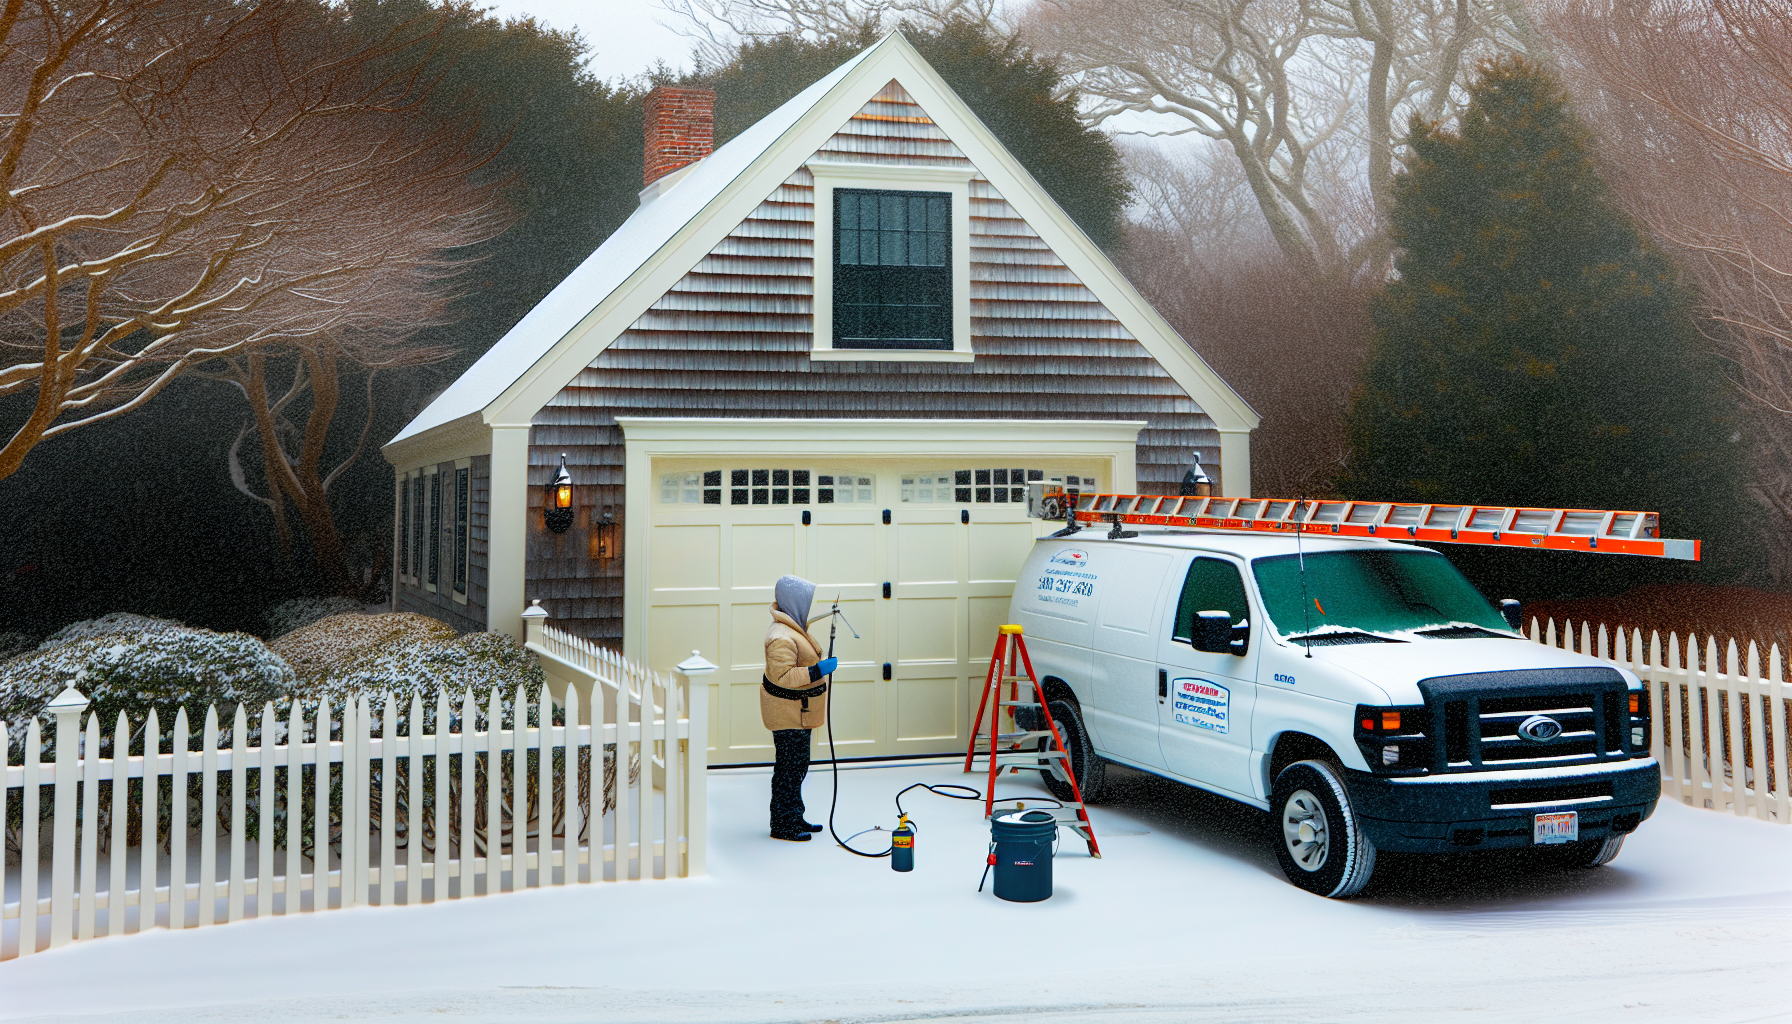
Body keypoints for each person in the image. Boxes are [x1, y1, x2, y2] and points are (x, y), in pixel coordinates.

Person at [761, 574, 837, 841]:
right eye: (805, 601)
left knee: (798, 766)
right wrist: (818, 670)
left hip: (798, 713)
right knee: (789, 769)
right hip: (788, 714)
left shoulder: (791, 629)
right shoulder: (780, 637)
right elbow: (783, 677)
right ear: (793, 602)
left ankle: (794, 816)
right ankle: (782, 824)